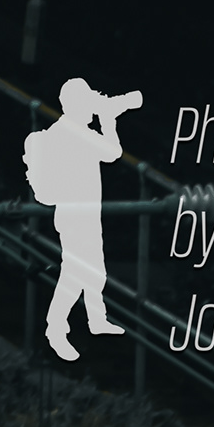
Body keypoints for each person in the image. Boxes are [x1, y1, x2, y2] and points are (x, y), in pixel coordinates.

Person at [22, 76, 142, 360]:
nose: (91, 107)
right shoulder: (73, 133)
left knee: (94, 270)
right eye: (87, 102)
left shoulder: (70, 130)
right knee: (75, 273)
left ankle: (96, 319)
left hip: (84, 212)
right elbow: (112, 153)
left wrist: (107, 116)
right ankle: (56, 328)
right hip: (75, 214)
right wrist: (108, 121)